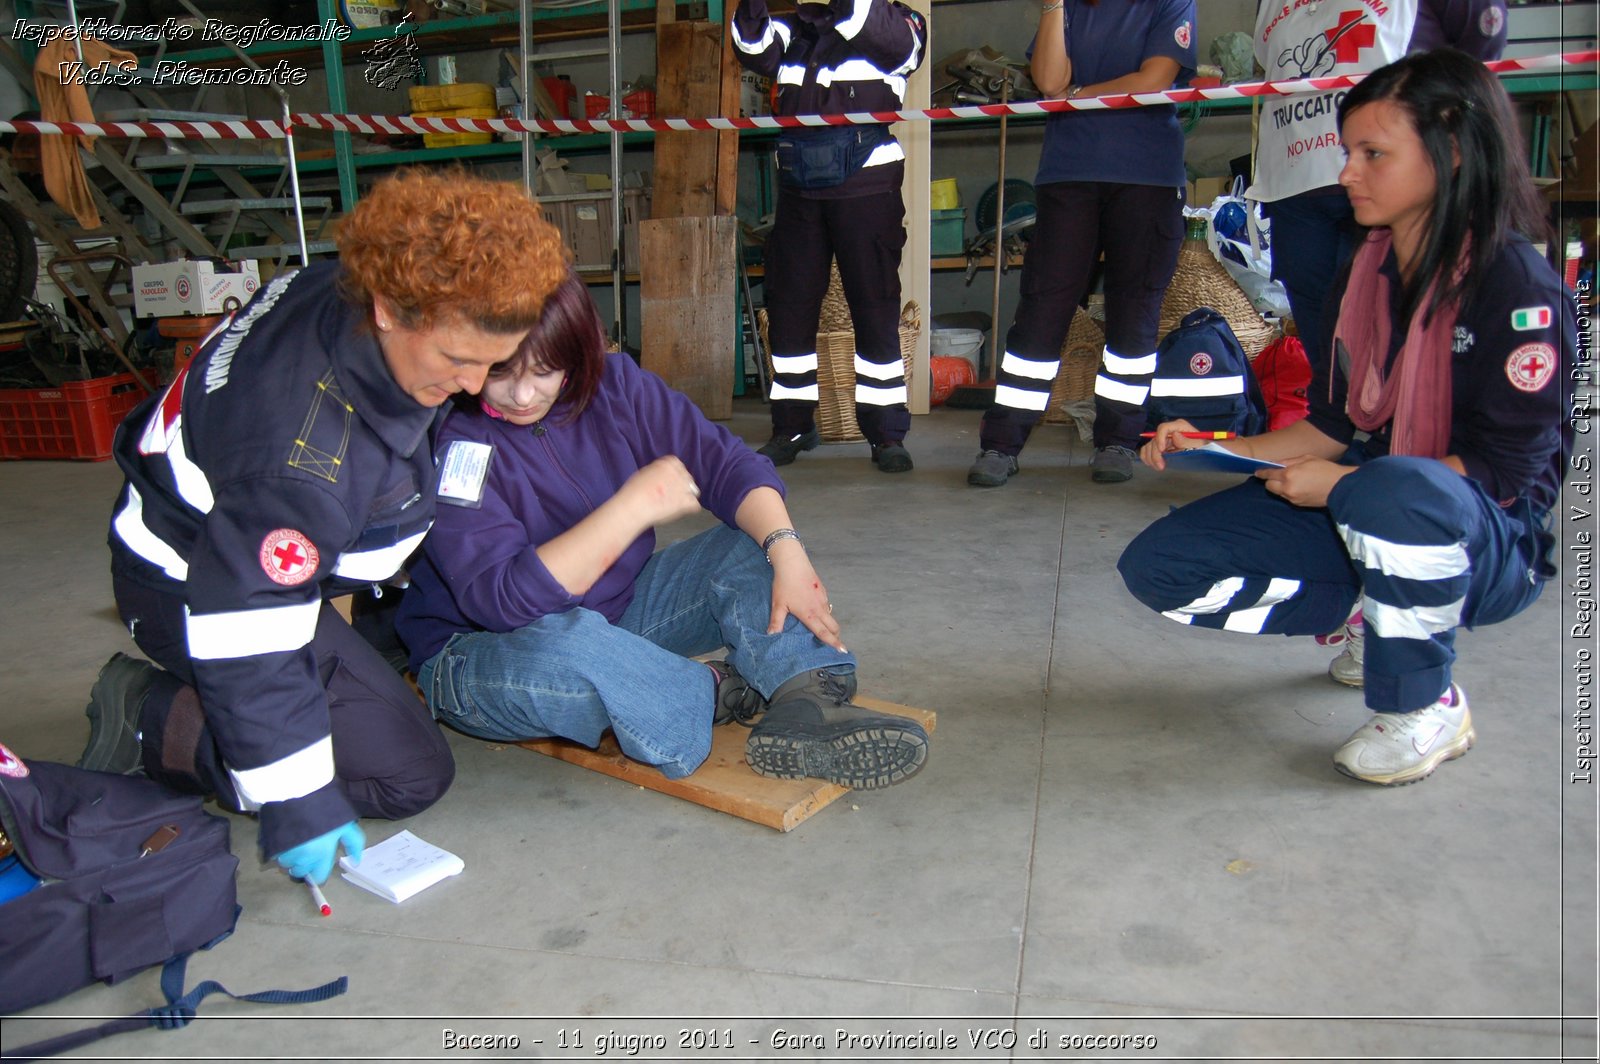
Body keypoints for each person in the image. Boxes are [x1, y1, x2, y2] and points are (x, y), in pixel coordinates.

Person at [78, 169, 570, 884]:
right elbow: (247, 628)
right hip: (193, 587)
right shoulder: (300, 462)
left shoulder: (352, 281)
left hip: (284, 546)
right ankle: (154, 716)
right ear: (388, 311)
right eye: (459, 360)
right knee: (407, 774)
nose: (474, 385)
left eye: (491, 361)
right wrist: (294, 795)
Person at [1118, 49, 1576, 786]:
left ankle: (1427, 703)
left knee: (1392, 487)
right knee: (1159, 567)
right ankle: (1381, 611)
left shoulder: (1520, 289)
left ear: (1452, 153)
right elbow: (1328, 428)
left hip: (1491, 541)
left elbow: (1505, 475)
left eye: (1373, 154)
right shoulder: (1366, 273)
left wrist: (1340, 488)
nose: (1347, 173)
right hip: (1375, 502)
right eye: (1348, 151)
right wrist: (1214, 444)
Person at [393, 269, 930, 790]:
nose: (524, 396)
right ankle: (716, 690)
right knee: (576, 654)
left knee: (749, 545)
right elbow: (502, 602)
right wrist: (631, 507)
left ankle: (807, 700)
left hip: (615, 612)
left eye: (545, 370)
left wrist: (787, 552)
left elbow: (725, 465)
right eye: (500, 372)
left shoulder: (614, 384)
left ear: (577, 352)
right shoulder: (459, 446)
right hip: (485, 651)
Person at [966, 0, 1197, 488]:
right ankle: (1001, 443)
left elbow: (1154, 79)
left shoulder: (1169, 4)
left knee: (1134, 311)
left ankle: (1117, 439)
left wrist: (1081, 94)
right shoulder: (1068, 8)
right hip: (1069, 174)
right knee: (1041, 310)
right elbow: (1050, 84)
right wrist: (1052, 6)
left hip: (1147, 176)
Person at [1249, 0, 1508, 370]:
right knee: (1323, 345)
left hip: (1390, 192)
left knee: (1386, 327)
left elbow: (1480, 53)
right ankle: (1336, 421)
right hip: (1296, 190)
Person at [731, 0, 928, 473]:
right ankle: (792, 427)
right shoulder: (792, 28)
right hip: (799, 187)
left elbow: (887, 39)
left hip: (867, 182)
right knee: (790, 306)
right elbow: (752, 47)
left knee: (875, 306)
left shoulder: (900, 22)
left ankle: (886, 435)